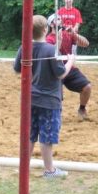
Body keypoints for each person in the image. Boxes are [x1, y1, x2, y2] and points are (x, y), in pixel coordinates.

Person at [13, 15, 75, 179]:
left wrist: (56, 47)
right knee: (46, 137)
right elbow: (61, 74)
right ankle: (49, 170)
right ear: (46, 30)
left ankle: (23, 168)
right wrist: (70, 60)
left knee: (30, 135)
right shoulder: (50, 50)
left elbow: (17, 68)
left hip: (30, 99)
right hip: (49, 100)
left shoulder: (25, 47)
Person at [47, 0, 93, 120]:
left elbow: (86, 44)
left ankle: (82, 109)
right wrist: (59, 40)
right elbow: (51, 54)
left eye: (60, 19)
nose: (60, 21)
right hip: (55, 71)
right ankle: (55, 115)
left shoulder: (67, 34)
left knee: (87, 87)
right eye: (57, 19)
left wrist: (74, 34)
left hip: (69, 68)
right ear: (51, 24)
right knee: (57, 97)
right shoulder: (49, 39)